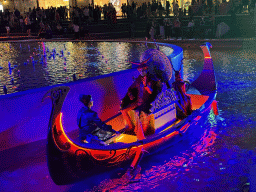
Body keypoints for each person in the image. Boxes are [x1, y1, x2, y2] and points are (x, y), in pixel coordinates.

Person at [120, 61, 162, 137]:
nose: (142, 72)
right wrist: (130, 94)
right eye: (140, 71)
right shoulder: (138, 80)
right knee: (123, 110)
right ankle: (130, 126)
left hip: (146, 103)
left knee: (137, 112)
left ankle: (141, 132)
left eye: (143, 70)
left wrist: (146, 85)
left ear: (147, 70)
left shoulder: (150, 79)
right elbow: (130, 88)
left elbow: (151, 92)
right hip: (137, 102)